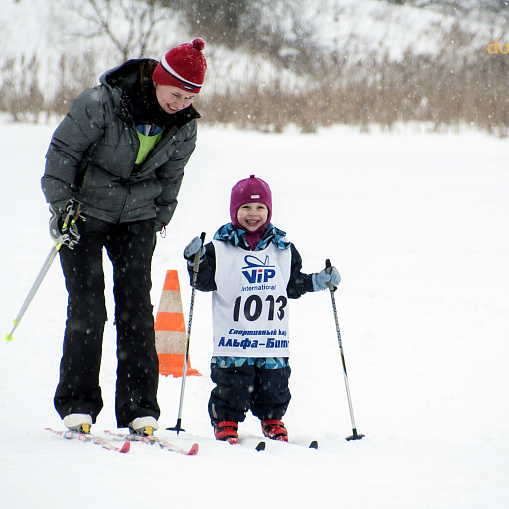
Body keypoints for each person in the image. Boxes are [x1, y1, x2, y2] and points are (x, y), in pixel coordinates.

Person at [41, 39, 208, 436]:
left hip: (137, 219)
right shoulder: (101, 103)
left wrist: (160, 216)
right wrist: (62, 207)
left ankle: (139, 409)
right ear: (159, 81)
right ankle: (78, 405)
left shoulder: (184, 126)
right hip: (84, 212)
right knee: (88, 306)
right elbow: (61, 154)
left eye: (190, 97)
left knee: (136, 311)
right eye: (176, 93)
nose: (181, 103)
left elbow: (172, 176)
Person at [183, 175, 341, 444]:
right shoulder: (219, 248)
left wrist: (316, 281)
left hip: (271, 338)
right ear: (234, 211)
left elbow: (291, 285)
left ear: (269, 211)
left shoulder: (283, 248)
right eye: (245, 208)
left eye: (260, 208)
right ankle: (226, 420)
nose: (253, 214)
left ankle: (272, 419)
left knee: (275, 384)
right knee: (232, 382)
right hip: (234, 338)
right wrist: (195, 261)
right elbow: (203, 282)